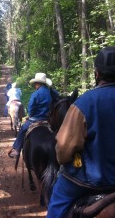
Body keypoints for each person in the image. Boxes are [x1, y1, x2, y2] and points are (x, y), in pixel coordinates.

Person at [47, 46, 115, 218]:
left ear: (97, 73)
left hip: (91, 182)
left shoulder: (84, 103)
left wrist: (66, 159)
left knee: (58, 200)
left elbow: (63, 150)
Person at [8, 72, 53, 158]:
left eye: (35, 84)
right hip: (50, 120)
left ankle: (16, 149)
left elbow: (31, 109)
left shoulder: (35, 94)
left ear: (37, 83)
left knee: (22, 130)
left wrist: (30, 115)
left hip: (36, 119)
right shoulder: (53, 92)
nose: (35, 85)